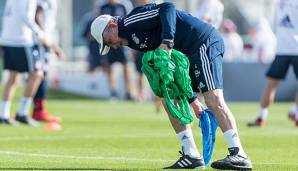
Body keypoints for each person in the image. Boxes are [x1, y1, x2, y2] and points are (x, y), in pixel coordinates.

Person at [90, 2, 252, 170]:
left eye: (108, 41)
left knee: (213, 99)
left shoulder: (130, 22)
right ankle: (191, 155)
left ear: (112, 25)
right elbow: (169, 68)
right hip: (188, 54)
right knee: (169, 99)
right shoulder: (130, 41)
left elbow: (168, 7)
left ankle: (239, 154)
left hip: (203, 42)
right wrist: (192, 100)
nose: (113, 45)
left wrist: (167, 40)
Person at [248, 0, 298, 127]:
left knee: (271, 85)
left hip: (282, 50)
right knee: (271, 85)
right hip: (293, 49)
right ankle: (296, 114)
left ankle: (261, 117)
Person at [0, 0, 48, 126]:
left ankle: (3, 114)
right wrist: (39, 33)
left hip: (7, 38)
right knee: (37, 74)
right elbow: (24, 15)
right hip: (20, 40)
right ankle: (22, 113)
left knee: (13, 77)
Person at [31, 0, 63, 122]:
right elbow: (37, 12)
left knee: (41, 73)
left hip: (43, 39)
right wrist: (43, 35)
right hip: (39, 40)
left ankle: (37, 110)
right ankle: (38, 110)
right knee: (41, 73)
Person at [99, 0, 133, 100]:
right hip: (109, 41)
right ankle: (113, 92)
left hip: (122, 41)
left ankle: (129, 92)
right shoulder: (103, 6)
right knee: (109, 66)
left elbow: (129, 20)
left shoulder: (124, 5)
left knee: (126, 66)